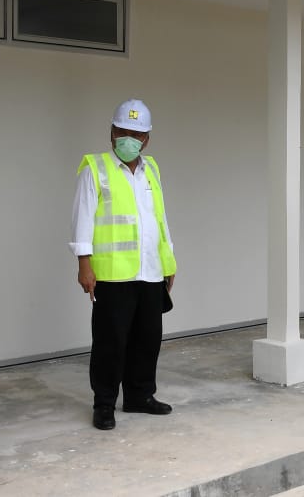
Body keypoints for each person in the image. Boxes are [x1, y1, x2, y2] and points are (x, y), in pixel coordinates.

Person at [70, 99, 177, 431]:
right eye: (124, 132)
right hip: (113, 274)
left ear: (147, 139)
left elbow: (159, 219)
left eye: (137, 134)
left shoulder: (152, 169)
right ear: (113, 131)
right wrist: (84, 264)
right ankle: (104, 404)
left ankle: (139, 396)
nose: (129, 139)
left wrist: (168, 260)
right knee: (110, 342)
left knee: (148, 338)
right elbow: (82, 219)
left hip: (150, 270)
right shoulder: (95, 168)